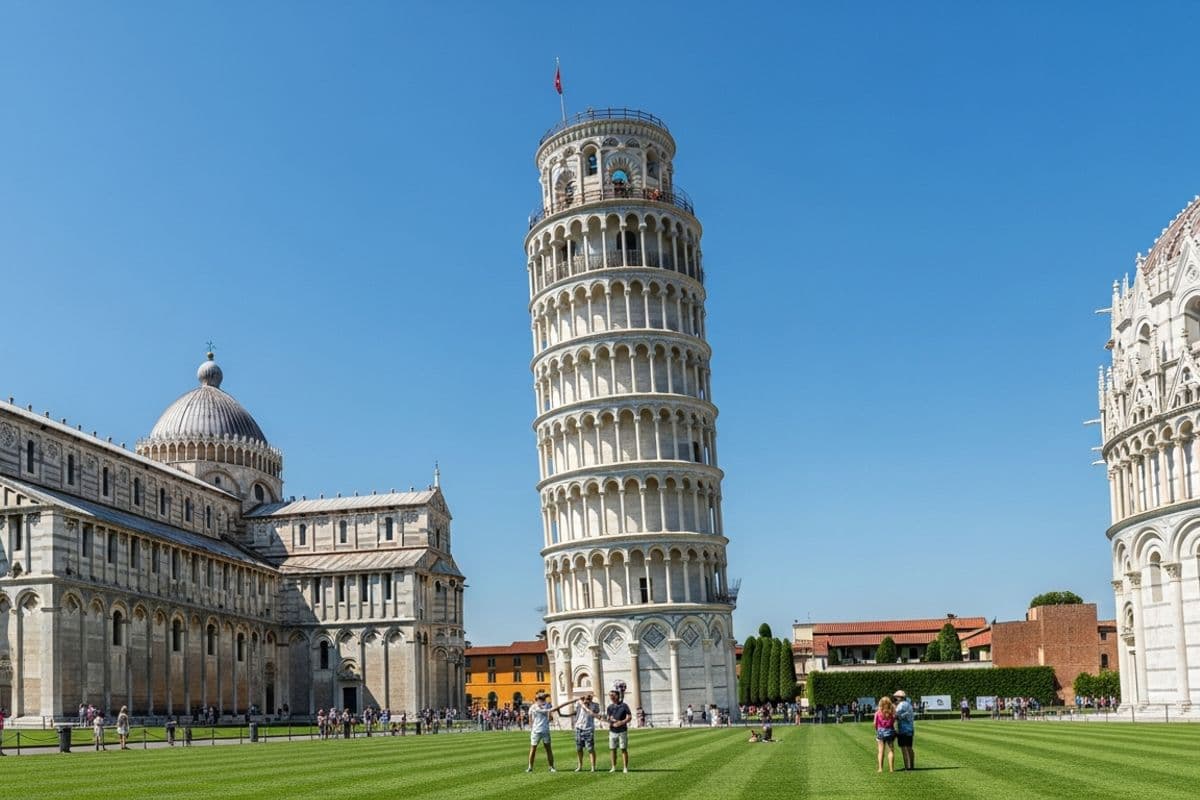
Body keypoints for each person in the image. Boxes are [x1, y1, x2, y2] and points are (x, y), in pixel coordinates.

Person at [558, 692, 603, 772]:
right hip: (579, 728)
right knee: (579, 748)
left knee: (590, 748)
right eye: (586, 698)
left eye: (589, 698)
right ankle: (580, 766)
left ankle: (593, 767)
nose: (587, 700)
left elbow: (597, 712)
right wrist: (562, 714)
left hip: (589, 728)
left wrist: (588, 705)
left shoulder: (595, 705)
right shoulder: (579, 704)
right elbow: (575, 713)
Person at [526, 691, 557, 773]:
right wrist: (531, 728)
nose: (538, 700)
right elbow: (530, 719)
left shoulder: (548, 706)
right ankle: (530, 767)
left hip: (545, 730)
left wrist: (549, 714)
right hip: (536, 731)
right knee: (533, 749)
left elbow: (551, 718)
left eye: (540, 698)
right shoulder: (533, 707)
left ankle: (551, 767)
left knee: (548, 749)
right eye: (538, 698)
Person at [606, 688, 632, 773]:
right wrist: (610, 721)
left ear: (617, 696)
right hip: (612, 730)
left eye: (612, 695)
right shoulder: (609, 707)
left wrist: (622, 722)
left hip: (622, 730)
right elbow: (608, 718)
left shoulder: (624, 705)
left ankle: (625, 767)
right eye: (610, 695)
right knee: (612, 749)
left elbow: (629, 717)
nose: (611, 697)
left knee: (623, 749)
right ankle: (613, 767)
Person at [893, 690, 915, 771]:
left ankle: (907, 766)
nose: (895, 698)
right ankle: (912, 765)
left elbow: (896, 716)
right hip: (910, 728)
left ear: (899, 697)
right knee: (909, 747)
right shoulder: (908, 704)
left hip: (903, 729)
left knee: (904, 748)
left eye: (896, 697)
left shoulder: (901, 705)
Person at [874, 696, 896, 773]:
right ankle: (891, 769)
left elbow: (875, 723)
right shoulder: (892, 713)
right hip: (890, 731)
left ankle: (880, 768)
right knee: (890, 750)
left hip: (880, 732)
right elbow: (893, 721)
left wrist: (877, 730)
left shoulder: (877, 713)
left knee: (880, 751)